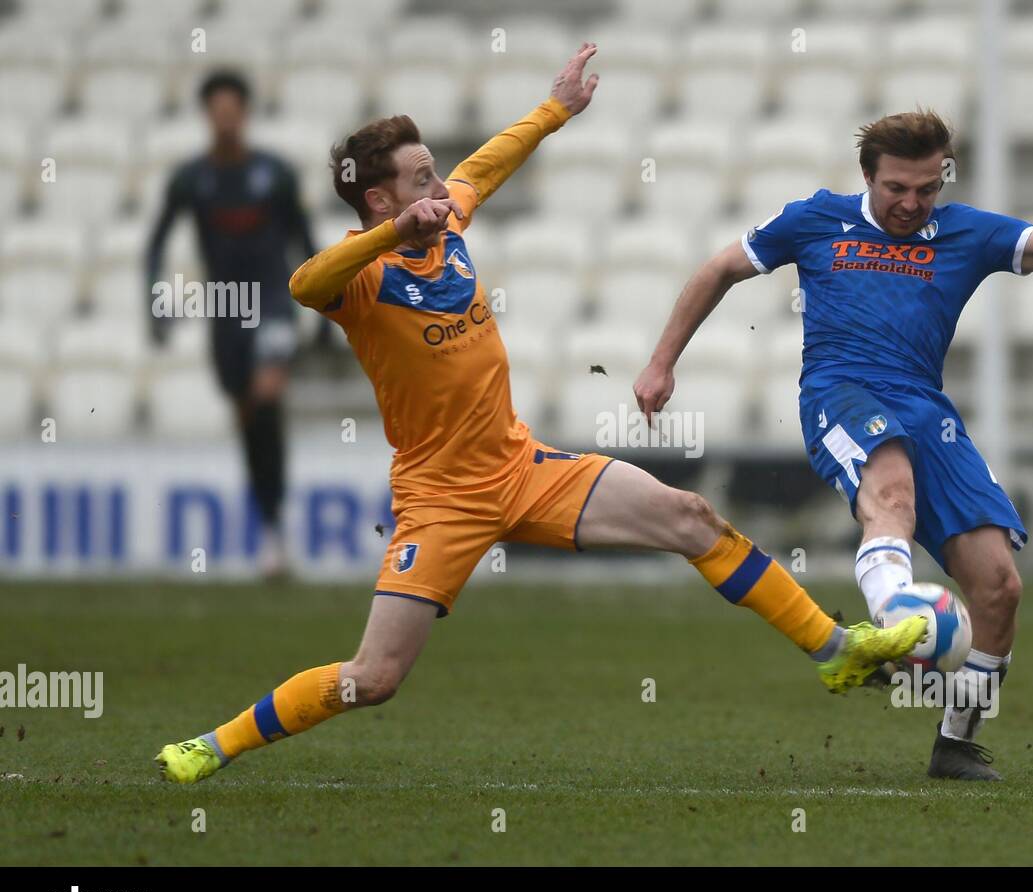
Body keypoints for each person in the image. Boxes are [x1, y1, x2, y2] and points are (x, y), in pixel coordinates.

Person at [155, 45, 927, 785]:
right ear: (381, 200)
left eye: (435, 173)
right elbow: (300, 282)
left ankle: (836, 649)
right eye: (422, 177)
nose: (442, 185)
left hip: (522, 468)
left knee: (691, 517)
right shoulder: (361, 278)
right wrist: (393, 234)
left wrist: (554, 110)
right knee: (376, 677)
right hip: (440, 498)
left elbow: (486, 165)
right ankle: (211, 745)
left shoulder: (448, 218)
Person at [634, 109, 1033, 780]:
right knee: (889, 491)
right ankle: (898, 617)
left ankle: (955, 743)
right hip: (841, 392)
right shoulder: (814, 219)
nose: (912, 204)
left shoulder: (967, 233)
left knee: (999, 587)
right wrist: (662, 363)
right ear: (868, 177)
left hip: (926, 409)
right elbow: (719, 269)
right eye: (897, 189)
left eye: (926, 189)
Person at [146, 69, 316, 577]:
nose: (224, 119)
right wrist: (152, 304)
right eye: (216, 110)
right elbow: (155, 242)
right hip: (225, 308)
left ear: (243, 113)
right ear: (207, 115)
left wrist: (333, 307)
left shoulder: (276, 174)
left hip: (273, 301)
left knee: (266, 396)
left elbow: (305, 239)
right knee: (249, 417)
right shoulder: (191, 179)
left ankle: (275, 527)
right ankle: (272, 528)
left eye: (232, 109)